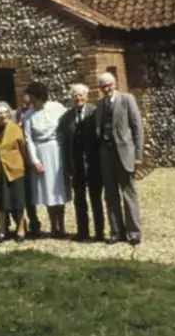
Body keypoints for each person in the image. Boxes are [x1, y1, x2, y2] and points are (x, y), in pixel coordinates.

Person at [96, 69, 145, 246]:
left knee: (128, 193)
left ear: (115, 84)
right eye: (103, 87)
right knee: (110, 195)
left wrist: (138, 155)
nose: (106, 89)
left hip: (124, 153)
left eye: (108, 85)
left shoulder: (127, 100)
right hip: (106, 154)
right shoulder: (100, 105)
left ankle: (134, 232)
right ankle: (116, 231)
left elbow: (137, 127)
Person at [22, 81, 68, 238]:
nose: (30, 100)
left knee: (59, 188)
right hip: (41, 152)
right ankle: (53, 225)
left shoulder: (57, 108)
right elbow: (28, 139)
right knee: (48, 190)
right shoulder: (28, 115)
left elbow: (67, 125)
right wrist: (34, 160)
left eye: (32, 96)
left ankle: (61, 224)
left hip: (57, 150)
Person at [60, 82, 104, 243]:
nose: (78, 98)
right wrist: (67, 164)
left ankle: (99, 233)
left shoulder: (95, 112)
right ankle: (83, 232)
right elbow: (64, 144)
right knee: (79, 201)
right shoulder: (66, 118)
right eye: (75, 95)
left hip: (93, 164)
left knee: (96, 199)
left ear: (87, 96)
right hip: (76, 165)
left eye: (80, 95)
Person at [0, 102, 32, 242]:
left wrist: (28, 165)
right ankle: (3, 230)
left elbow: (23, 148)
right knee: (0, 201)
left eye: (6, 112)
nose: (3, 115)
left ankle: (21, 228)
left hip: (15, 168)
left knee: (18, 200)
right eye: (0, 113)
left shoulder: (16, 128)